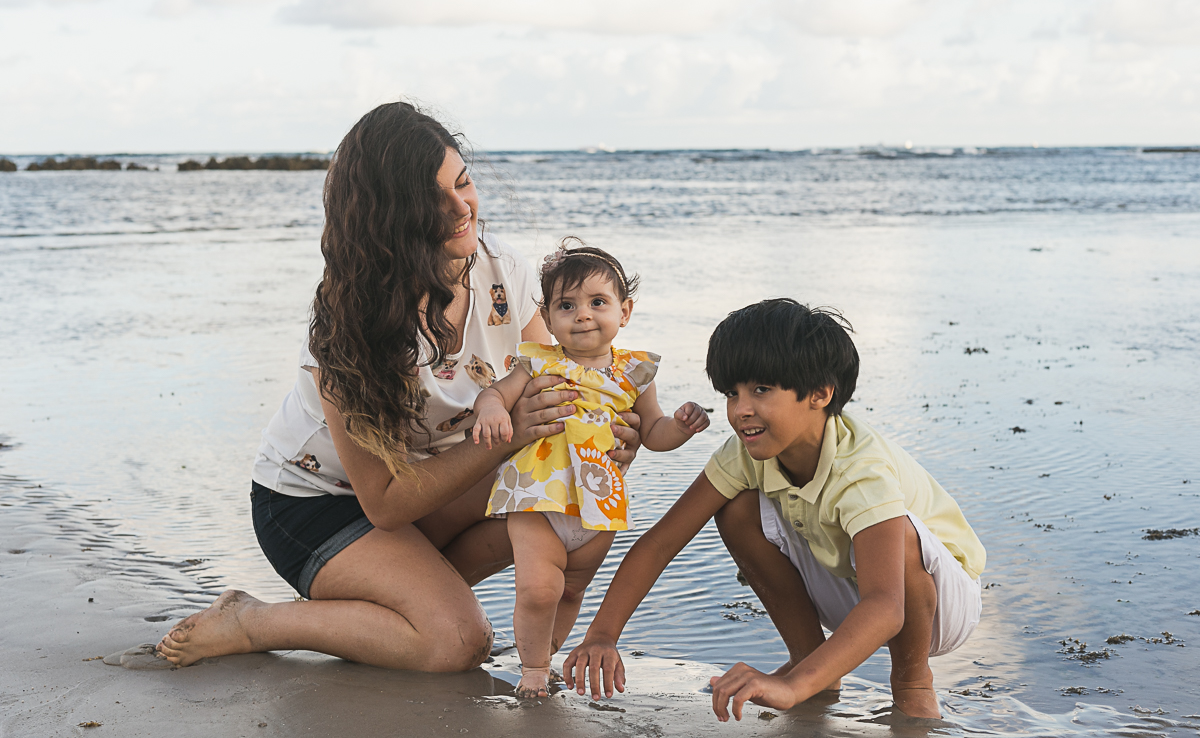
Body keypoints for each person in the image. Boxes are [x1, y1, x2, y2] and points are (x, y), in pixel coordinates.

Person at [153, 102, 644, 672]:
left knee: (556, 502)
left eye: (463, 183)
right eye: (434, 199)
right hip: (319, 504)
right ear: (388, 216)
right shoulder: (351, 324)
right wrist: (514, 436)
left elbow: (553, 388)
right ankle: (252, 620)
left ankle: (402, 602)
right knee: (456, 643)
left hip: (434, 486)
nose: (462, 208)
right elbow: (385, 503)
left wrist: (605, 432)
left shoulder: (501, 270)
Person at [564, 299, 986, 721]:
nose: (740, 409)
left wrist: (791, 689)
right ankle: (809, 659)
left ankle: (913, 684)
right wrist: (603, 634)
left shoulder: (861, 470)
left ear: (820, 394)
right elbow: (661, 542)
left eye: (761, 390)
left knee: (903, 537)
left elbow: (886, 605)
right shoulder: (746, 452)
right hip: (853, 586)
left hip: (938, 605)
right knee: (735, 507)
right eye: (732, 393)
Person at [470, 242, 709, 698]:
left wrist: (680, 428)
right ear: (547, 316)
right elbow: (494, 393)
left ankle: (545, 654)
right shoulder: (539, 361)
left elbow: (652, 431)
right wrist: (492, 410)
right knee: (539, 590)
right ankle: (533, 669)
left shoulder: (634, 372)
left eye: (598, 302)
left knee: (571, 592)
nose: (582, 315)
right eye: (566, 306)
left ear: (625, 311)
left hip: (598, 506)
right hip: (538, 498)